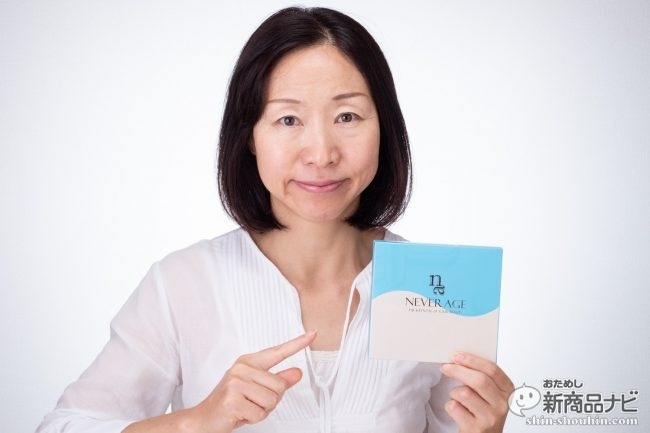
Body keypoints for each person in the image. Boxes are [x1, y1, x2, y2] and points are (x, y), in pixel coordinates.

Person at [36, 6, 514, 433]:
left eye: (347, 116)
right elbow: (62, 426)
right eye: (288, 120)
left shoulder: (437, 290)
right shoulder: (182, 284)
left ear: (383, 127)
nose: (321, 153)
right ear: (249, 135)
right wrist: (196, 422)